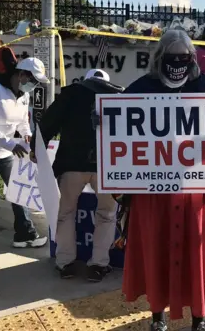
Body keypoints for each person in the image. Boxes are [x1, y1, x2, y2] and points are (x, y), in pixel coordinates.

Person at [121, 30, 205, 331]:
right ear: (159, 58)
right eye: (171, 58)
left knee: (197, 256)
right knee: (156, 253)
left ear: (192, 59)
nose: (177, 64)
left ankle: (199, 318)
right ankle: (157, 317)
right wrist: (100, 120)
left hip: (198, 191)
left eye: (184, 58)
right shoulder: (140, 88)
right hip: (154, 192)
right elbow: (116, 120)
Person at [31, 68, 124, 282]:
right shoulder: (118, 96)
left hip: (71, 165)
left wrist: (39, 150)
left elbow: (47, 123)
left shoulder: (71, 93)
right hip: (106, 168)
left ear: (86, 79)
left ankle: (65, 263)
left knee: (65, 214)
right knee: (106, 215)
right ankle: (99, 265)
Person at [0, 57, 50, 254]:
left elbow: (22, 122)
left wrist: (27, 135)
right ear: (20, 74)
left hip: (7, 149)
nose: (35, 85)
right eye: (33, 80)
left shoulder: (23, 96)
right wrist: (10, 143)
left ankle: (25, 233)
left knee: (17, 189)